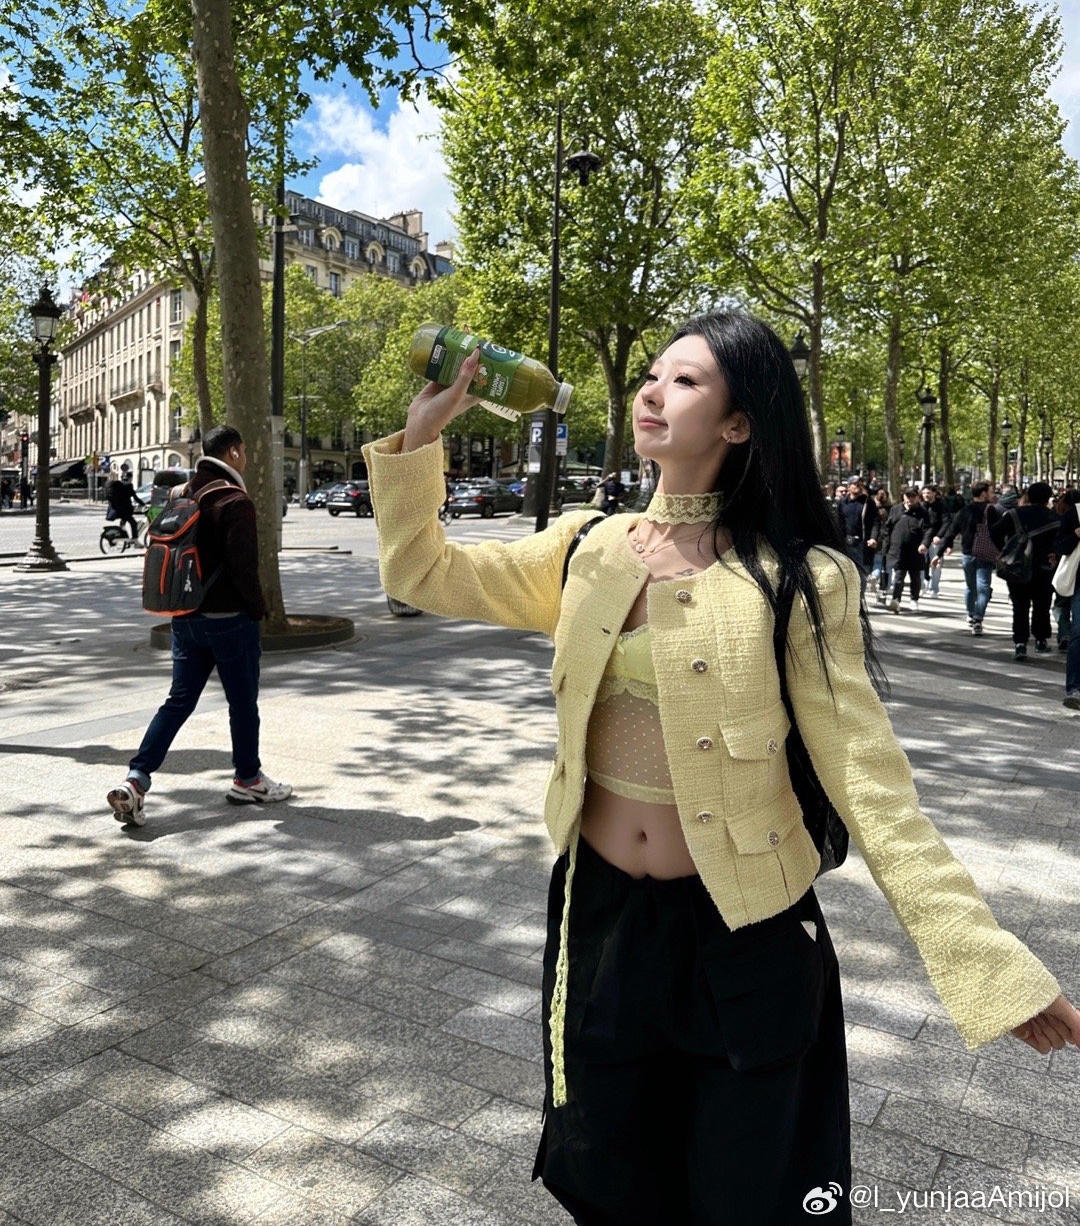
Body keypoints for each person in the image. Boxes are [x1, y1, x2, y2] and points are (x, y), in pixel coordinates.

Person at [363, 308, 1078, 1226]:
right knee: (611, 1173)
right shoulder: (586, 548)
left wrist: (989, 964)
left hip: (748, 936)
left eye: (686, 380)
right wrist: (420, 441)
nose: (652, 393)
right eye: (650, 375)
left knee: (754, 1191)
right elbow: (420, 573)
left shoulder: (800, 580)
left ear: (740, 423)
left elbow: (872, 787)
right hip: (601, 920)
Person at [106, 425, 292, 827]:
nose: (246, 457)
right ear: (234, 452)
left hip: (185, 618)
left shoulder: (182, 493)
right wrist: (258, 611)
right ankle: (248, 779)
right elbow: (244, 569)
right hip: (230, 622)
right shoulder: (234, 500)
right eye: (244, 451)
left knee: (178, 701)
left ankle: (136, 779)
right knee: (242, 703)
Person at [990, 480, 1060, 661]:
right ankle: (1041, 640)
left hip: (1017, 566)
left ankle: (1020, 643)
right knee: (1042, 605)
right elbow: (1060, 542)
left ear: (1028, 496)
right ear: (1048, 498)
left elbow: (994, 532)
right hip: (1044, 568)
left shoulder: (1014, 514)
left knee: (1020, 606)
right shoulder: (1054, 517)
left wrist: (1005, 551)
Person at [936, 481, 1000, 636]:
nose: (992, 494)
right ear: (983, 494)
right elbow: (999, 532)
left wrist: (939, 553)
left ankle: (971, 614)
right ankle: (978, 618)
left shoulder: (964, 511)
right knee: (983, 587)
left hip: (967, 553)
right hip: (984, 553)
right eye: (991, 492)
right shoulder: (991, 510)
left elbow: (951, 532)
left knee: (970, 587)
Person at [882, 487, 930, 613]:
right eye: (908, 496)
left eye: (913, 496)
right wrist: (886, 547)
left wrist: (924, 544)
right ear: (903, 497)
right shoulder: (895, 509)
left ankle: (914, 599)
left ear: (917, 497)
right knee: (898, 577)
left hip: (916, 550)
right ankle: (896, 600)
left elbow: (927, 530)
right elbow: (887, 528)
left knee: (915, 577)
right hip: (898, 550)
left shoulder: (922, 512)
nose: (910, 499)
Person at [1054, 490, 1080, 707]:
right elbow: (1060, 546)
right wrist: (1076, 535)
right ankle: (1075, 688)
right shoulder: (1076, 513)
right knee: (1079, 631)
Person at [835, 477, 880, 572]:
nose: (859, 486)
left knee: (862, 574)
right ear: (849, 487)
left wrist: (873, 538)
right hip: (847, 544)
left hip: (863, 545)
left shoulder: (868, 502)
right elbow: (839, 523)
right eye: (856, 484)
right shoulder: (843, 503)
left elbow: (876, 522)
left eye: (861, 484)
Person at [920, 485, 945, 596]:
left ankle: (934, 588)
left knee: (936, 564)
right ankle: (921, 585)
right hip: (922, 539)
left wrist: (939, 536)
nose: (926, 495)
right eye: (924, 493)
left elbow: (947, 522)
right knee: (920, 563)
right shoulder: (920, 506)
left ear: (934, 493)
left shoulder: (941, 506)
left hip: (936, 539)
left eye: (928, 493)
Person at [105, 473, 144, 542]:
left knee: (123, 523)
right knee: (133, 523)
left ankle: (122, 535)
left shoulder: (120, 485)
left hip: (118, 509)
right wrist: (143, 504)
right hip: (125, 510)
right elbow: (135, 498)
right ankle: (135, 540)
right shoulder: (129, 485)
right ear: (130, 478)